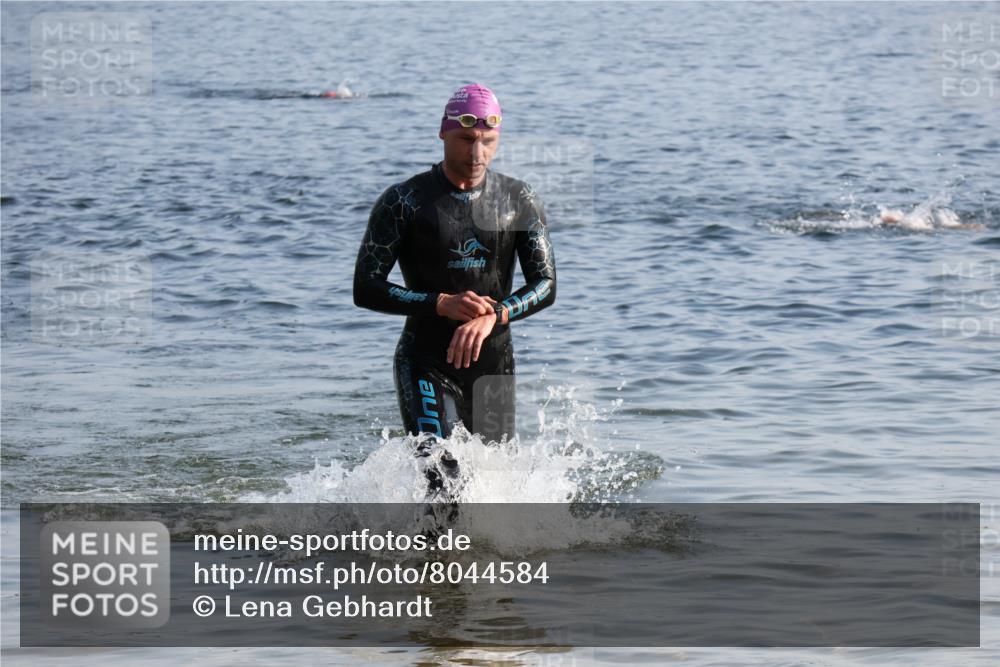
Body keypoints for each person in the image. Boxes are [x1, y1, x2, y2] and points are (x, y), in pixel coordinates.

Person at [353, 83, 557, 499]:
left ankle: (479, 561)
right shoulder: (404, 201)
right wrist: (439, 302)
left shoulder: (518, 199)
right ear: (443, 133)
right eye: (466, 140)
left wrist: (493, 315)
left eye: (488, 141)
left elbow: (546, 284)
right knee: (443, 477)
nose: (477, 153)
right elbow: (366, 287)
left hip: (494, 363)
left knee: (493, 489)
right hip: (427, 361)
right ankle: (435, 562)